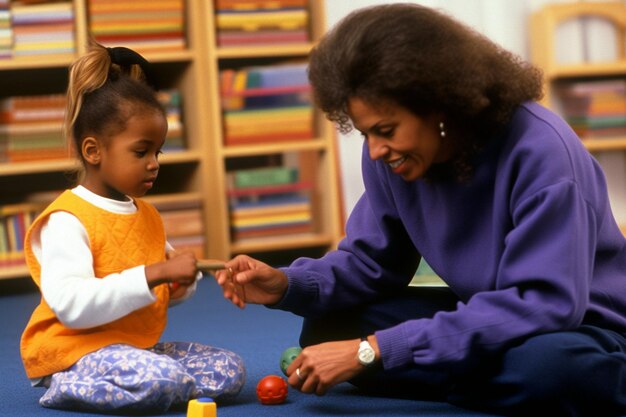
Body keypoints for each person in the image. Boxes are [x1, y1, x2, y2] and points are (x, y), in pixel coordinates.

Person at [215, 4, 626, 416]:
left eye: (385, 131)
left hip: (580, 325)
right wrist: (287, 285)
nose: (375, 150)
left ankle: (552, 381)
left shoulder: (543, 152)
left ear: (439, 104)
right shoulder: (393, 157)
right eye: (365, 133)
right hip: (489, 311)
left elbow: (543, 303)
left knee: (548, 368)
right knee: (328, 326)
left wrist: (372, 353)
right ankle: (491, 378)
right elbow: (371, 264)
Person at [20, 41, 245, 413]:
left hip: (129, 346)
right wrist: (156, 272)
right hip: (73, 350)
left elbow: (159, 291)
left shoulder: (147, 215)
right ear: (93, 151)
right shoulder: (66, 220)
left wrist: (180, 283)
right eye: (141, 152)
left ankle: (156, 384)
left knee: (230, 370)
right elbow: (72, 307)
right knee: (161, 379)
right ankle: (64, 384)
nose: (154, 164)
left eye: (158, 152)